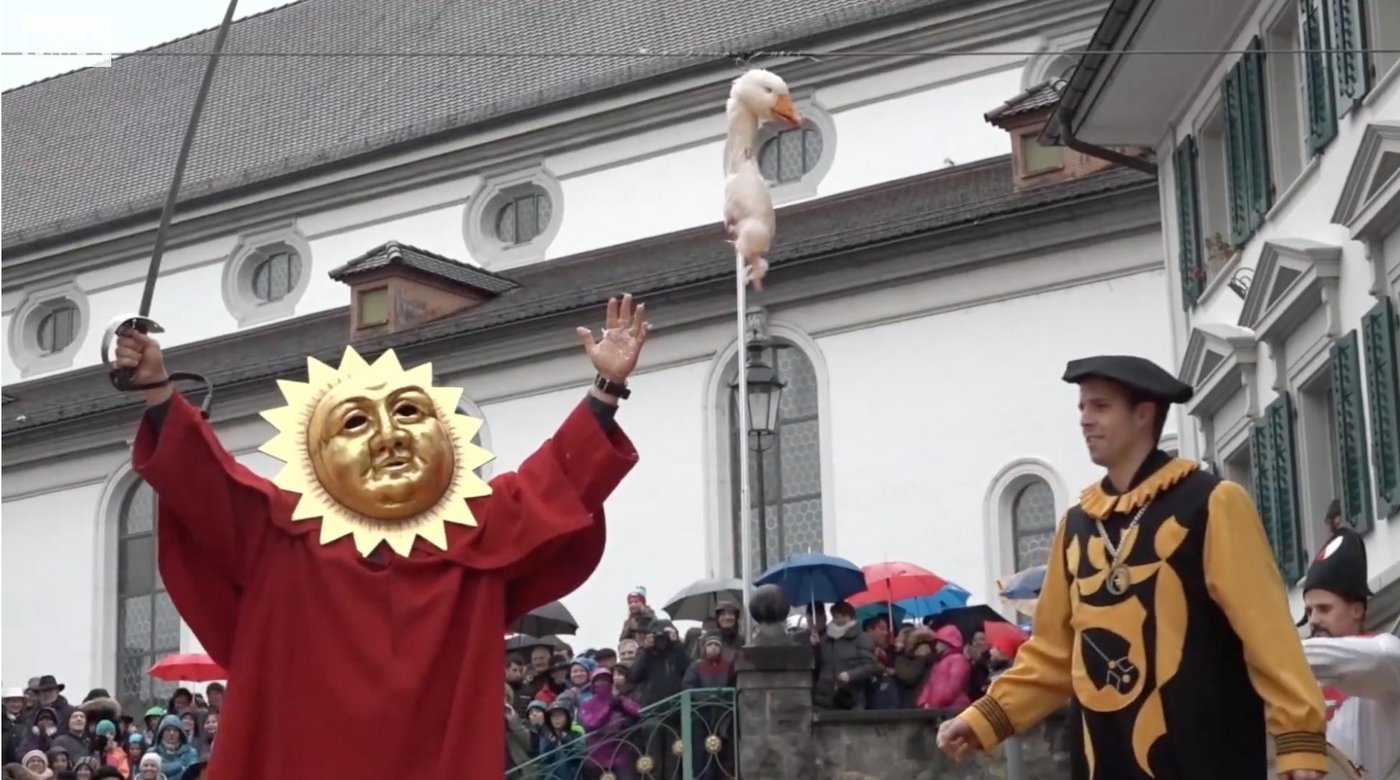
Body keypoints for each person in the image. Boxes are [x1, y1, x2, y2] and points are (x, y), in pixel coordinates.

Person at [111, 294, 651, 779]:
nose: (390, 437)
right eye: (354, 423)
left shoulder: (477, 535)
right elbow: (205, 480)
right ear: (312, 457)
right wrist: (157, 389)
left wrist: (606, 391)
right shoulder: (276, 535)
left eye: (409, 413)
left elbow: (554, 484)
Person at [936, 355, 1329, 779]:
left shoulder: (1212, 504)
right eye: (1082, 407)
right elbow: (1052, 656)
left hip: (1204, 757)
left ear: (1143, 415)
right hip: (1104, 761)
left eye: (1100, 406)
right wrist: (983, 718)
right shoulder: (1076, 527)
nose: (1085, 419)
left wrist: (1299, 738)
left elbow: (1266, 632)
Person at [1298, 522, 1400, 778]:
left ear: (1357, 609)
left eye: (1324, 609)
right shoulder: (1300, 679)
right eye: (1309, 611)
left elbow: (1381, 656)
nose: (1313, 620)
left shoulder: (1386, 661)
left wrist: (1273, 653)